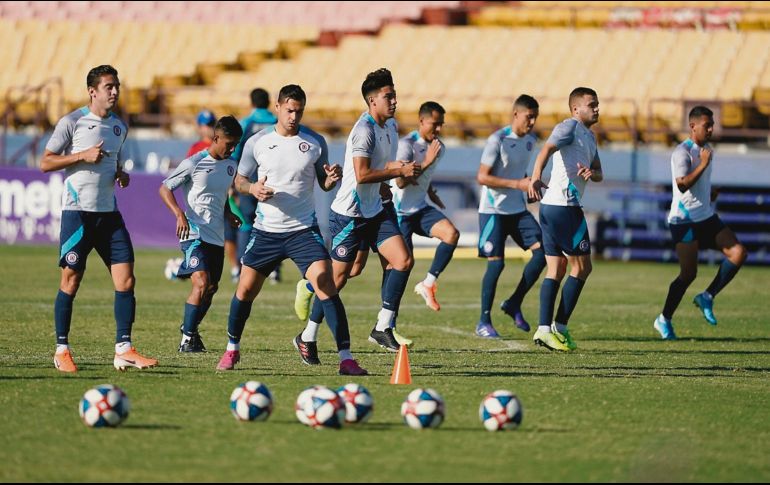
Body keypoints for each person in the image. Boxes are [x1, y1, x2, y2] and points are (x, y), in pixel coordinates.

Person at [216, 84, 367, 376]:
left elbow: (324, 183)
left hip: (302, 231)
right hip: (266, 231)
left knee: (326, 282)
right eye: (289, 110)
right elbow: (240, 180)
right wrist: (252, 188)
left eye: (299, 111)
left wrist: (331, 179)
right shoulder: (257, 142)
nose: (294, 117)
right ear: (278, 108)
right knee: (245, 289)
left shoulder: (314, 142)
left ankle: (346, 359)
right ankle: (232, 350)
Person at [297, 68, 421, 359]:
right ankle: (307, 336)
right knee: (337, 279)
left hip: (375, 209)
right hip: (350, 214)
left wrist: (385, 186)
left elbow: (377, 172)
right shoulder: (363, 131)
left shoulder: (390, 127)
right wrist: (396, 171)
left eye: (394, 95)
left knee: (402, 260)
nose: (394, 101)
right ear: (371, 101)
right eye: (388, 97)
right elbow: (362, 174)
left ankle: (383, 326)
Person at [41, 64, 157, 372]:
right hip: (78, 215)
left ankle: (124, 349)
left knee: (127, 279)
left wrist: (120, 174)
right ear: (93, 91)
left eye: (117, 86)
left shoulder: (120, 127)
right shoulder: (73, 121)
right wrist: (81, 155)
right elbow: (46, 162)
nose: (115, 91)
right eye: (109, 87)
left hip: (109, 214)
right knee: (71, 279)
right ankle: (61, 349)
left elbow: (110, 162)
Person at [653, 106, 747, 340]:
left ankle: (707, 296)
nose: (711, 129)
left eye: (712, 124)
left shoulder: (707, 149)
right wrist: (703, 165)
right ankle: (663, 319)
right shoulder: (682, 153)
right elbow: (682, 184)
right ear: (693, 126)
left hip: (705, 216)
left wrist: (709, 193)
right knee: (688, 274)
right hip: (683, 221)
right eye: (707, 125)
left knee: (738, 253)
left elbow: (695, 187)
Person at [527, 87, 603, 352]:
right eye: (591, 104)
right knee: (582, 268)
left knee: (557, 268)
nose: (596, 108)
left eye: (597, 104)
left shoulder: (590, 137)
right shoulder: (569, 127)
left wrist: (590, 173)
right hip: (564, 207)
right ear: (575, 109)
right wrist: (536, 176)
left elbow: (599, 173)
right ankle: (560, 327)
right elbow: (546, 149)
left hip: (553, 208)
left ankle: (544, 330)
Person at [159, 116, 244, 352]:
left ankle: (191, 329)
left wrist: (229, 213)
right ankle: (187, 339)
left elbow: (220, 196)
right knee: (201, 281)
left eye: (236, 144)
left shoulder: (231, 166)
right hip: (193, 231)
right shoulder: (194, 163)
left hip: (216, 235)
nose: (232, 148)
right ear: (216, 138)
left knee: (211, 289)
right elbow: (165, 188)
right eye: (229, 143)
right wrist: (178, 213)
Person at [475, 94, 546, 338]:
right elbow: (482, 177)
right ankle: (483, 321)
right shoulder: (497, 139)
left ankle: (514, 302)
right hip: (493, 211)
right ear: (516, 114)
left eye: (535, 117)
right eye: (529, 116)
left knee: (543, 253)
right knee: (497, 263)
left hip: (517, 210)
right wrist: (517, 184)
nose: (533, 121)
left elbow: (520, 171)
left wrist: (529, 188)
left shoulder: (531, 141)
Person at [392, 101, 459, 313]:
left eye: (442, 124)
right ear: (421, 121)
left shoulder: (439, 147)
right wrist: (427, 161)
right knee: (403, 266)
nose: (438, 129)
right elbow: (401, 182)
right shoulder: (407, 145)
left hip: (420, 209)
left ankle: (428, 284)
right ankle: (387, 320)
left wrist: (430, 192)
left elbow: (422, 178)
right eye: (435, 124)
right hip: (399, 213)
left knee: (451, 234)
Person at [233, 88, 280, 284]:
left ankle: (242, 267)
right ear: (269, 102)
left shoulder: (245, 123)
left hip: (250, 179)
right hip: (275, 178)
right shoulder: (277, 122)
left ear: (251, 103)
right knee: (275, 223)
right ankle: (275, 270)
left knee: (245, 223)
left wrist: (234, 180)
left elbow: (234, 152)